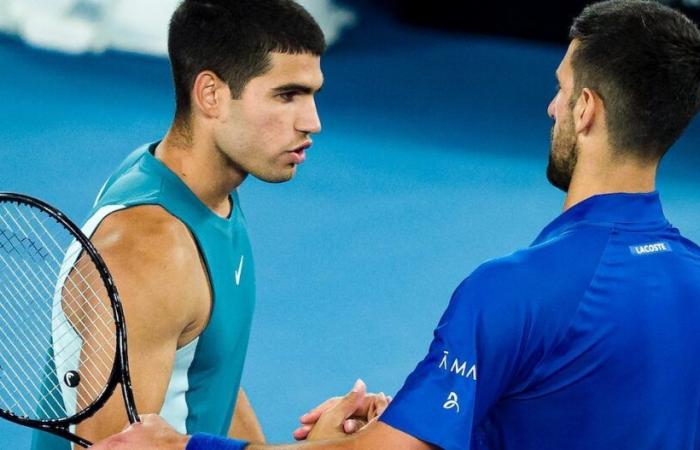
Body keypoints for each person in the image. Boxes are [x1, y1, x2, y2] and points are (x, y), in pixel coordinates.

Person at [91, 0, 700, 449]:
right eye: (288, 96)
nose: (550, 106)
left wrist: (185, 449)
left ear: (586, 110)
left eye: (562, 90)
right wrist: (422, 414)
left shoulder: (512, 292)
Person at [31, 0, 327, 449]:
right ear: (211, 95)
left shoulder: (198, 191)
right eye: (287, 95)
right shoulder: (150, 250)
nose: (312, 122)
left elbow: (208, 372)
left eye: (312, 94)